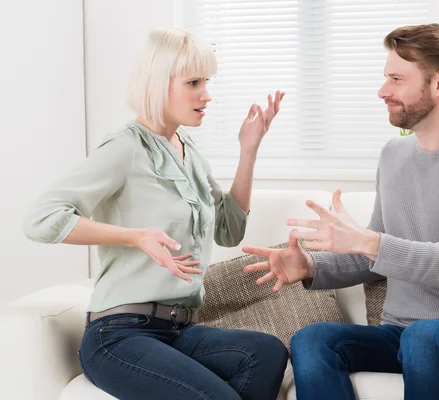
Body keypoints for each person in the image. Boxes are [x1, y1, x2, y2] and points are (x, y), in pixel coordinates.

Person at [242, 23, 439, 400]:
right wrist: (311, 266)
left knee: (426, 337)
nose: (383, 91)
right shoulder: (393, 156)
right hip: (402, 335)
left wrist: (368, 241)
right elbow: (375, 259)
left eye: (396, 79)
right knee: (313, 339)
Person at [22, 27, 288, 400]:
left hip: (178, 331)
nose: (206, 94)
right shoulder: (125, 147)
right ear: (158, 83)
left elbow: (229, 231)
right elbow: (41, 218)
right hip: (118, 334)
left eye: (206, 81)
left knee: (266, 352)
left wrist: (249, 151)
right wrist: (135, 236)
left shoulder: (188, 151)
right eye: (193, 82)